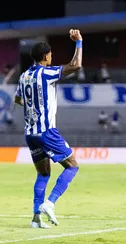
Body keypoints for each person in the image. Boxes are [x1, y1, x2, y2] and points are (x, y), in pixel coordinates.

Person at [14, 29, 83, 228]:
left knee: (43, 174)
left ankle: (36, 217)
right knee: (73, 165)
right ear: (46, 57)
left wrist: (33, 106)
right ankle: (50, 203)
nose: (52, 57)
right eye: (51, 54)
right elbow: (75, 65)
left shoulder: (24, 76)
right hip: (46, 131)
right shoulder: (47, 73)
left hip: (30, 133)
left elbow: (18, 99)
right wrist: (78, 42)